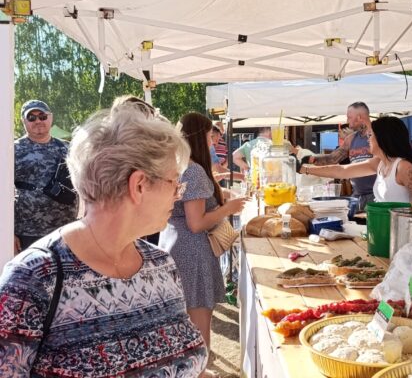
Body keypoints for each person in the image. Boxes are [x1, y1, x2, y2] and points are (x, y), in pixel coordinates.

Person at [0, 100, 208, 376]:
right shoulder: (32, 280)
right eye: (174, 182)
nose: (177, 194)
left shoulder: (161, 265)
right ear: (139, 185)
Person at [159, 112, 247, 378]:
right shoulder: (194, 169)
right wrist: (228, 208)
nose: (213, 141)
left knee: (181, 327)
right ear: (201, 136)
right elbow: (196, 223)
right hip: (192, 249)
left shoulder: (183, 165)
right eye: (210, 135)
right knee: (198, 329)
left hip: (175, 245)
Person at [300, 116, 412, 206]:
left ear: (384, 138)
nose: (368, 139)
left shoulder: (403, 167)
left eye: (371, 135)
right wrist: (305, 170)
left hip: (403, 235)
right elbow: (342, 171)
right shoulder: (379, 163)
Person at [14, 100, 78, 253]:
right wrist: (8, 232)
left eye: (42, 116)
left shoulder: (68, 148)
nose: (38, 121)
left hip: (65, 229)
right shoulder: (13, 150)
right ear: (23, 121)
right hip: (27, 231)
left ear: (51, 118)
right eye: (31, 118)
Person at [299, 102, 376, 211]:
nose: (347, 121)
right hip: (358, 195)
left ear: (359, 117)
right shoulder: (351, 139)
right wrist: (310, 159)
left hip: (376, 196)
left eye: (349, 117)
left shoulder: (377, 136)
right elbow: (332, 158)